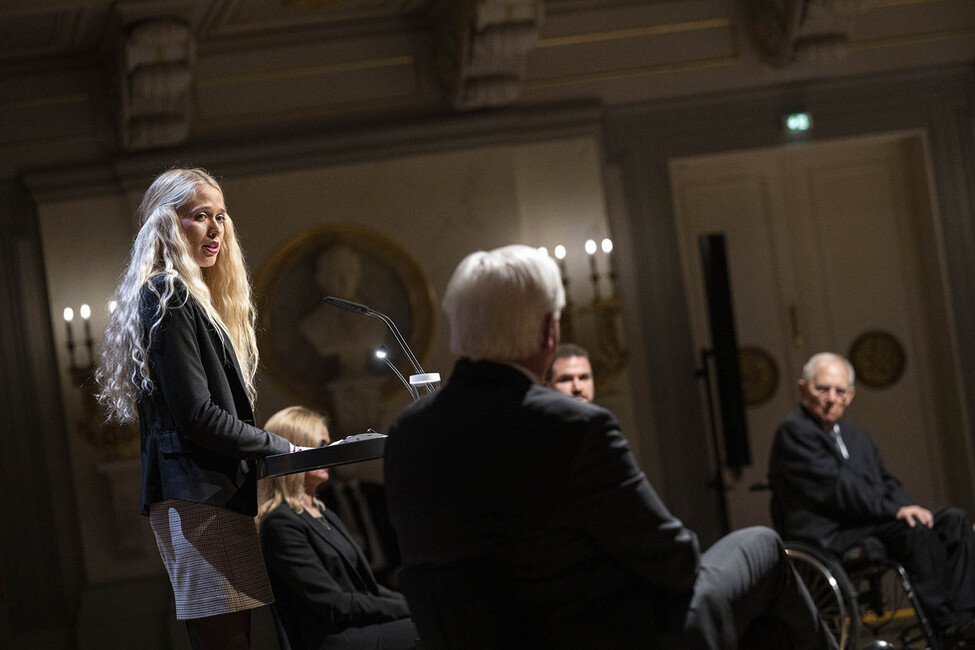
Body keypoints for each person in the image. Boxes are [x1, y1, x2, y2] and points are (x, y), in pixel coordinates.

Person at [383, 244, 838, 650]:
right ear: (549, 332)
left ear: (459, 330)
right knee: (761, 547)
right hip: (619, 636)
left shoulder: (406, 434)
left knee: (760, 626)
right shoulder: (572, 425)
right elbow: (674, 562)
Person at [96, 167, 300, 650]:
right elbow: (197, 416)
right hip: (197, 496)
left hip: (209, 494)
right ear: (168, 224)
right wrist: (280, 445)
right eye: (199, 216)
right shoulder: (168, 293)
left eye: (221, 216)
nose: (215, 229)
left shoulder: (192, 296)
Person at [769, 352, 975, 642]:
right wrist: (896, 513)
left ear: (850, 395)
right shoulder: (794, 432)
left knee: (954, 520)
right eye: (822, 389)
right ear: (803, 389)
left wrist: (906, 506)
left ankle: (966, 617)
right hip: (832, 533)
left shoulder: (856, 437)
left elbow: (886, 481)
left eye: (840, 391)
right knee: (912, 531)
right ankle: (945, 623)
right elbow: (840, 490)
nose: (831, 397)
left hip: (868, 521)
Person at [258, 406, 416, 650]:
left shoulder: (322, 511)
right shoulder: (280, 523)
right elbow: (333, 603)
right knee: (431, 628)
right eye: (321, 446)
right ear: (298, 448)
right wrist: (408, 607)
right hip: (334, 639)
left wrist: (414, 603)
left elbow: (369, 589)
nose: (331, 454)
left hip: (357, 627)